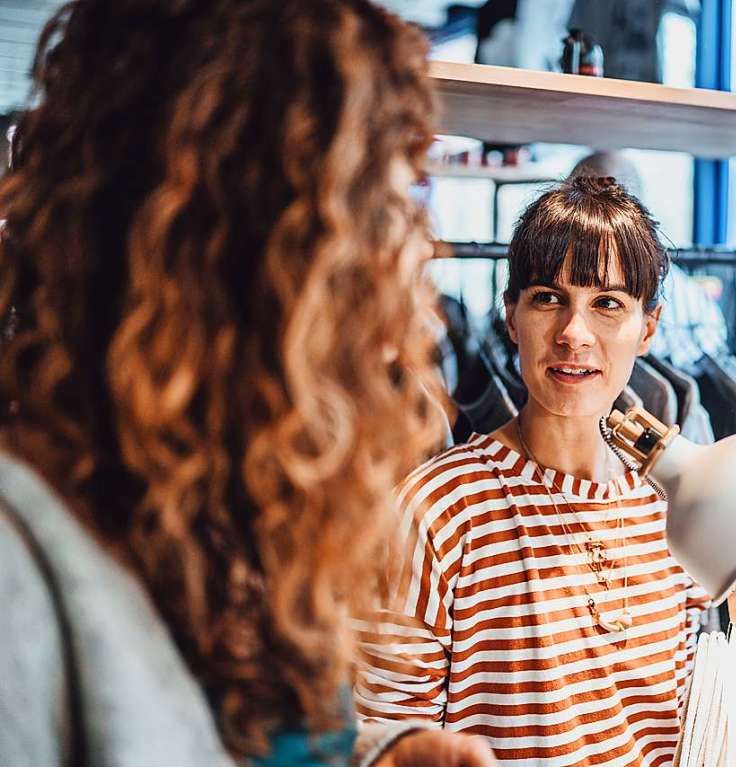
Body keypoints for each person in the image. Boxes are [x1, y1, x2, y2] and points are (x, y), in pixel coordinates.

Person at [0, 1, 495, 765]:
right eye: (381, 217)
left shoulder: (239, 506)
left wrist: (379, 754)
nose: (409, 277)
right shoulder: (20, 577)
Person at [357, 176, 709, 766]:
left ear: (647, 328)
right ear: (511, 317)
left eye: (607, 304)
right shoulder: (437, 513)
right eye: (548, 297)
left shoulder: (680, 507)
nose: (573, 334)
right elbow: (381, 741)